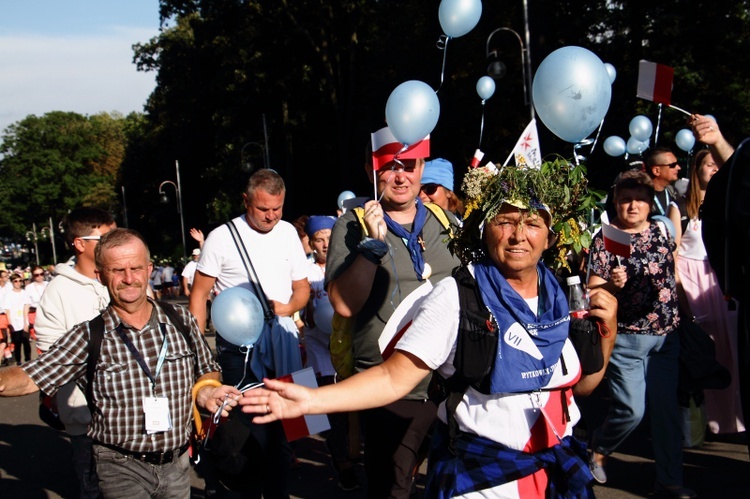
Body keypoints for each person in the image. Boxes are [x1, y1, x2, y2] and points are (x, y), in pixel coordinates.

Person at [240, 160, 619, 498]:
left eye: (532, 224)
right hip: (484, 480)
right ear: (485, 232)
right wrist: (312, 401)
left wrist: (610, 328)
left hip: (557, 474)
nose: (518, 235)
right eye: (505, 221)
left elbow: (581, 384)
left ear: (550, 238)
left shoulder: (567, 299)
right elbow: (392, 378)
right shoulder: (457, 296)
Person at [0, 228, 240, 498]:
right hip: (120, 466)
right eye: (117, 270)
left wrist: (206, 391)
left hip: (178, 464)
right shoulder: (88, 335)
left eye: (136, 268)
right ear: (100, 275)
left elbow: (207, 368)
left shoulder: (180, 320)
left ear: (149, 269)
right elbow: (30, 376)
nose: (129, 279)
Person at [325, 126, 461, 498]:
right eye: (390, 166)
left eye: (409, 165)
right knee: (392, 489)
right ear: (375, 170)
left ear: (422, 168)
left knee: (455, 484)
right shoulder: (351, 225)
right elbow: (343, 304)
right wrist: (372, 245)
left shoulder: (445, 223)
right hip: (388, 386)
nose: (400, 176)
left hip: (450, 382)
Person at [188, 168, 309, 498]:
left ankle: (277, 489)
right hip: (238, 348)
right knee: (244, 430)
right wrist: (195, 347)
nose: (271, 216)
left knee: (289, 425)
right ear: (245, 200)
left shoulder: (287, 234)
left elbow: (301, 289)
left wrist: (285, 309)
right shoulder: (221, 237)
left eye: (277, 208)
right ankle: (244, 486)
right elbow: (199, 294)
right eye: (263, 209)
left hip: (282, 338)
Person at [587, 170, 695, 498]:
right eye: (625, 199)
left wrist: (690, 315)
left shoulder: (662, 230)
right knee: (631, 410)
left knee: (666, 414)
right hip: (627, 340)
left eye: (640, 200)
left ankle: (669, 481)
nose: (633, 206)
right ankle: (597, 447)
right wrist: (612, 285)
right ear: (615, 202)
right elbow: (593, 290)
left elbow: (672, 274)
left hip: (667, 335)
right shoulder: (607, 237)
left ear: (650, 203)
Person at [32, 207, 115, 498]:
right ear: (79, 243)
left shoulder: (122, 278)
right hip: (86, 416)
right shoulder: (58, 290)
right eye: (105, 238)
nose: (114, 243)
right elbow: (52, 350)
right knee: (93, 487)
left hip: (132, 412)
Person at [678, 149, 745, 435]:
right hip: (693, 283)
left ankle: (736, 418)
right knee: (708, 352)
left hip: (718, 281)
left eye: (718, 164)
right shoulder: (683, 206)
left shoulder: (729, 198)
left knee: (733, 350)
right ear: (698, 169)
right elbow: (674, 251)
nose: (715, 168)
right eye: (709, 164)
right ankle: (707, 421)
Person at [644, 146, 685, 234]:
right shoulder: (640, 196)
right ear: (656, 171)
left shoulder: (673, 192)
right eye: (673, 165)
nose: (678, 168)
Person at [3, 272, 30, 365]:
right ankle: (18, 361)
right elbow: (7, 310)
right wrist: (10, 324)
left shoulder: (24, 293)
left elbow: (26, 307)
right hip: (14, 323)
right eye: (15, 281)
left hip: (23, 321)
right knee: (17, 343)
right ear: (12, 282)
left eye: (20, 281)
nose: (18, 283)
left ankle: (28, 360)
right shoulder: (8, 295)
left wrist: (26, 322)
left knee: (26, 342)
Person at [25, 265, 48, 340]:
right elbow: (26, 305)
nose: (40, 276)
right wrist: (26, 322)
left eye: (41, 274)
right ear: (33, 276)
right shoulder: (29, 287)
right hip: (35, 314)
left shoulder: (48, 284)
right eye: (36, 275)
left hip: (48, 313)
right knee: (39, 338)